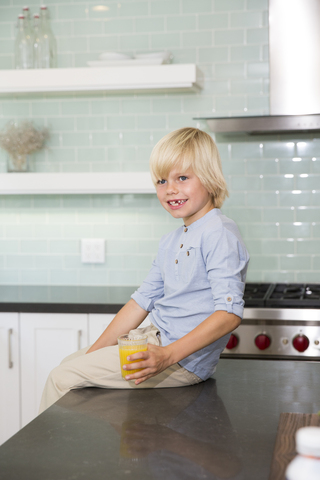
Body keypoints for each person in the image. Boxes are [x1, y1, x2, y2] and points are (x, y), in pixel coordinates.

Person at [39, 127, 249, 413]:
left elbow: (228, 314)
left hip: (181, 360)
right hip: (155, 340)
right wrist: (93, 355)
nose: (170, 189)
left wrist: (165, 356)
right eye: (162, 181)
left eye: (182, 178)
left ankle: (47, 458)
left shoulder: (218, 233)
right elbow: (140, 302)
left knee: (61, 379)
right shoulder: (172, 240)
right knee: (69, 366)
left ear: (210, 179)